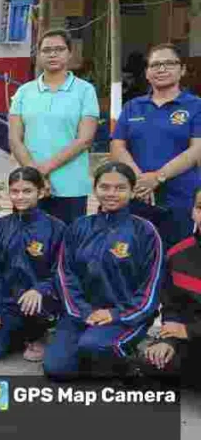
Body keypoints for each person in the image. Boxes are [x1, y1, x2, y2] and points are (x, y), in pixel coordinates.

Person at [44, 162, 163, 380]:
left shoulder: (145, 231)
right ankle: (95, 356)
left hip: (126, 316)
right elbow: (64, 275)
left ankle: (129, 362)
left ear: (132, 190)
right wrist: (84, 311)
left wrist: (115, 314)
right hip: (82, 314)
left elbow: (151, 287)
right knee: (56, 369)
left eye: (120, 188)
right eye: (105, 187)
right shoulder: (79, 227)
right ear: (95, 189)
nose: (111, 193)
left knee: (94, 345)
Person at [111, 44, 201, 246]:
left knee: (175, 261)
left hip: (180, 200)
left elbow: (197, 150)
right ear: (147, 73)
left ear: (182, 69)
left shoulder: (196, 106)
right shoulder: (133, 106)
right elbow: (117, 146)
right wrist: (140, 179)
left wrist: (158, 177)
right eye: (155, 65)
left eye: (169, 63)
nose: (161, 69)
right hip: (137, 196)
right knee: (134, 258)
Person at [0, 167, 66, 363]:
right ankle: (17, 335)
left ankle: (40, 333)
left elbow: (62, 272)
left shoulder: (56, 228)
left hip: (41, 303)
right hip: (8, 304)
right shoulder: (0, 226)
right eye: (15, 191)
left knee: (34, 304)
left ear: (40, 192)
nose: (20, 196)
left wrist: (40, 290)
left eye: (27, 191)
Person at [8, 29, 100, 226]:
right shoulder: (24, 92)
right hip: (28, 187)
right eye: (46, 50)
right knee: (27, 244)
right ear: (38, 55)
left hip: (71, 186)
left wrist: (44, 171)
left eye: (59, 49)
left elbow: (85, 139)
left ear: (69, 53)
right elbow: (15, 140)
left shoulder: (85, 91)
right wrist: (35, 177)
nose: (52, 54)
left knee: (67, 245)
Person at [142, 186, 201, 388]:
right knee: (152, 363)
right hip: (191, 338)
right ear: (193, 212)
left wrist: (190, 331)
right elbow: (173, 306)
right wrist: (168, 340)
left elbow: (186, 328)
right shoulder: (178, 254)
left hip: (193, 332)